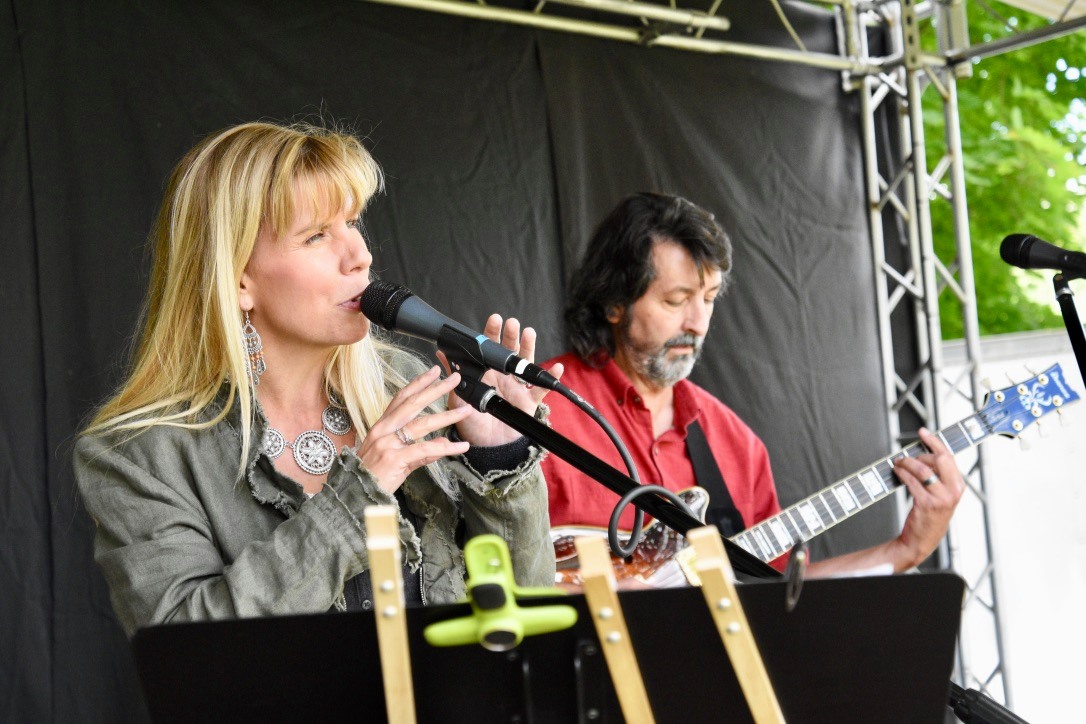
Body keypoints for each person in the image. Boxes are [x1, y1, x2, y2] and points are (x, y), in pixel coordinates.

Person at [74, 121, 559, 638]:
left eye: (352, 223)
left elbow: (530, 617)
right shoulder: (138, 455)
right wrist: (356, 499)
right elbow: (184, 651)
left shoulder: (412, 388)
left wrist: (499, 457)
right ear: (238, 278)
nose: (360, 256)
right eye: (316, 235)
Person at [542, 192, 964, 577]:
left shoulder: (736, 445)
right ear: (615, 302)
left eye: (708, 299)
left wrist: (906, 550)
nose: (698, 323)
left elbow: (774, 595)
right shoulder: (539, 409)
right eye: (675, 300)